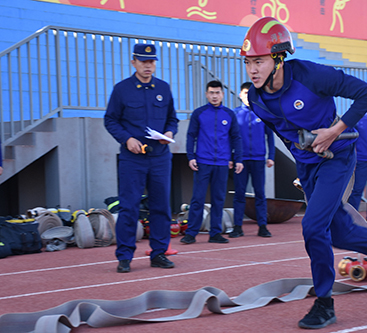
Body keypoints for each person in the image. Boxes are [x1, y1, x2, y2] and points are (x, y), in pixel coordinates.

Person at [240, 17, 367, 329]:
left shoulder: (311, 76)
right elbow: (282, 131)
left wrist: (335, 130)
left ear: (279, 58)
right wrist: (300, 154)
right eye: (248, 62)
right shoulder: (255, 100)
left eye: (259, 61)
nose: (252, 69)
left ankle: (324, 304)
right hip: (308, 165)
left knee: (313, 227)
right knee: (339, 233)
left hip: (337, 158)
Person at [104, 43, 179, 273]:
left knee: (161, 208)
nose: (149, 65)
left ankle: (159, 253)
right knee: (129, 207)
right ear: (133, 62)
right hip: (132, 158)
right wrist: (126, 139)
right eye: (144, 61)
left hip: (159, 157)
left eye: (152, 61)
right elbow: (110, 120)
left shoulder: (164, 89)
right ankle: (124, 256)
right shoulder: (122, 90)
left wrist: (169, 133)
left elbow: (172, 119)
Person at [181, 80, 243, 245]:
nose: (214, 96)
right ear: (207, 94)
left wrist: (238, 159)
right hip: (202, 162)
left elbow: (236, 137)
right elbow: (190, 136)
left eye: (217, 93)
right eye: (211, 93)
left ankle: (215, 233)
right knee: (198, 198)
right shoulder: (199, 113)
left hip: (222, 163)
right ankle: (191, 233)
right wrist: (190, 156)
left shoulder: (229, 115)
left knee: (218, 199)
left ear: (222, 94)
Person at [229, 82, 275, 238]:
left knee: (260, 193)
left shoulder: (262, 113)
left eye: (250, 93)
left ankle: (262, 226)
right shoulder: (234, 114)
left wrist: (271, 157)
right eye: (244, 93)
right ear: (240, 95)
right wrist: (231, 157)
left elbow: (270, 136)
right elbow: (230, 138)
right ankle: (237, 226)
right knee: (239, 194)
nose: (247, 96)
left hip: (258, 158)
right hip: (240, 160)